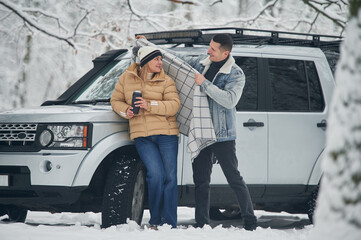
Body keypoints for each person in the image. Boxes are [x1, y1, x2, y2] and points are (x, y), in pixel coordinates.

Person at [137, 33, 257, 230]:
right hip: (200, 131)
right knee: (201, 181)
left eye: (213, 49)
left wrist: (205, 84)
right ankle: (202, 223)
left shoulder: (236, 74)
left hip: (222, 134)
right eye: (209, 47)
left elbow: (229, 100)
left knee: (233, 177)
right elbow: (174, 60)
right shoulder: (202, 64)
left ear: (225, 53)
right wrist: (147, 45)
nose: (208, 51)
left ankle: (250, 221)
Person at [110, 46, 181, 229]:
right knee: (155, 176)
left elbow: (174, 106)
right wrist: (127, 110)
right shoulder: (126, 78)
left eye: (161, 59)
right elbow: (115, 101)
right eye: (156, 59)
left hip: (166, 135)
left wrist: (150, 105)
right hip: (142, 136)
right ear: (145, 61)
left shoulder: (166, 80)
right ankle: (155, 220)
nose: (160, 63)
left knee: (170, 178)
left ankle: (169, 223)